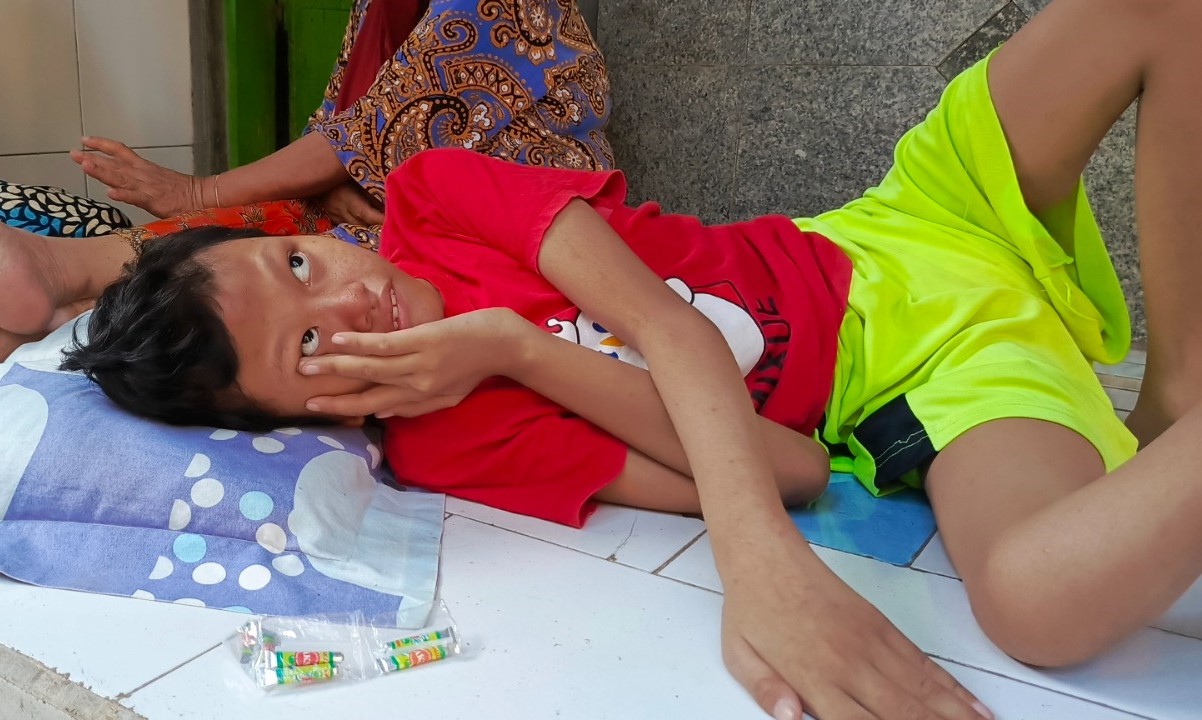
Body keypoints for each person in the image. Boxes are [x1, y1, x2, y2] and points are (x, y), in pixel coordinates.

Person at [46, 0, 1202, 718]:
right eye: (307, 348)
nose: (347, 302)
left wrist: (760, 569)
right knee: (1038, 608)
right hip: (925, 378)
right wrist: (516, 357)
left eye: (300, 266)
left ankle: (1176, 386)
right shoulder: (450, 442)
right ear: (315, 416)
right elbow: (795, 467)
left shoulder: (436, 198)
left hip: (907, 222)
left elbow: (668, 326)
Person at [0, 0, 611, 361]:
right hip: (467, 213)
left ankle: (84, 279)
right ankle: (87, 286)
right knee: (295, 240)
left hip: (508, 203)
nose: (352, 305)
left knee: (306, 229)